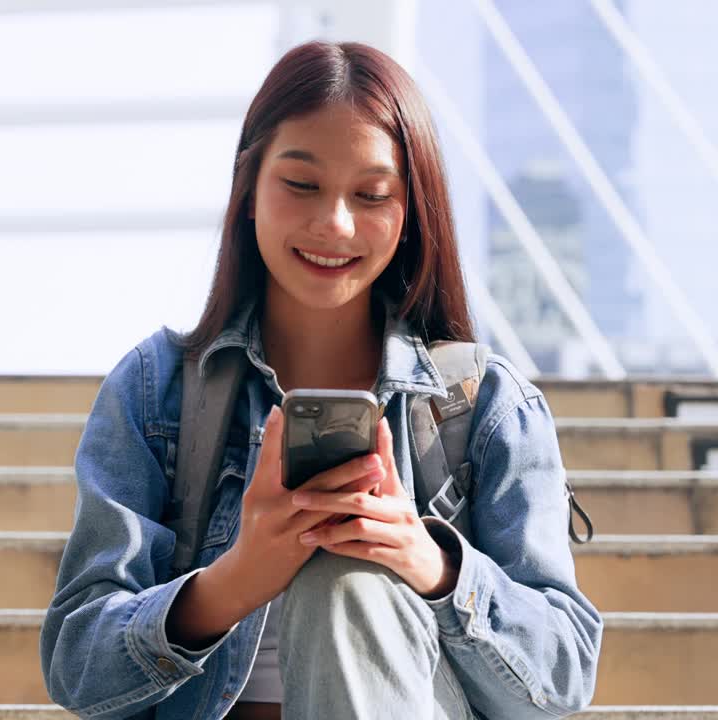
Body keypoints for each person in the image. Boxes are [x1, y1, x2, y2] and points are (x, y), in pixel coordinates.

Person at [39, 39, 602, 720]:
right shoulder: (157, 392)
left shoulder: (483, 408)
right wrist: (235, 581)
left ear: (410, 215)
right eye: (301, 185)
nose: (334, 223)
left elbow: (562, 677)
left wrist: (433, 567)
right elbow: (78, 667)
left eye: (371, 195)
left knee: (348, 580)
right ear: (249, 190)